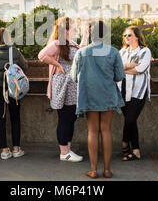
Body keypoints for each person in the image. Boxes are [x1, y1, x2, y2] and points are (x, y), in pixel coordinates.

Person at [71, 21, 125, 179]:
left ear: (90, 34)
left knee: (93, 131)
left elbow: (74, 77)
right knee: (106, 130)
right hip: (108, 95)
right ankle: (107, 170)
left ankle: (93, 170)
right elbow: (119, 76)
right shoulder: (114, 52)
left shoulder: (81, 53)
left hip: (89, 95)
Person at [38, 17, 88, 162]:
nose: (76, 31)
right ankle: (64, 152)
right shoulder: (57, 43)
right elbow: (41, 55)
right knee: (65, 119)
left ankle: (68, 149)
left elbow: (81, 52)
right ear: (65, 31)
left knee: (71, 118)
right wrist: (57, 65)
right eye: (74, 28)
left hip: (72, 86)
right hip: (63, 86)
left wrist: (85, 36)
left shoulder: (71, 43)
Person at [0, 28, 28, 160]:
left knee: (0, 117)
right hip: (14, 88)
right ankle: (16, 149)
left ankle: (4, 150)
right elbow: (24, 67)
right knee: (15, 117)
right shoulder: (14, 52)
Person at [117, 26, 151, 162]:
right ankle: (136, 150)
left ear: (137, 36)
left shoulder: (145, 51)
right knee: (131, 121)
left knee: (130, 119)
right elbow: (116, 68)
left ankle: (125, 143)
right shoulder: (122, 51)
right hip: (123, 90)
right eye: (125, 35)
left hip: (138, 91)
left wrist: (123, 69)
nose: (126, 38)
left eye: (129, 35)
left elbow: (141, 69)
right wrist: (129, 66)